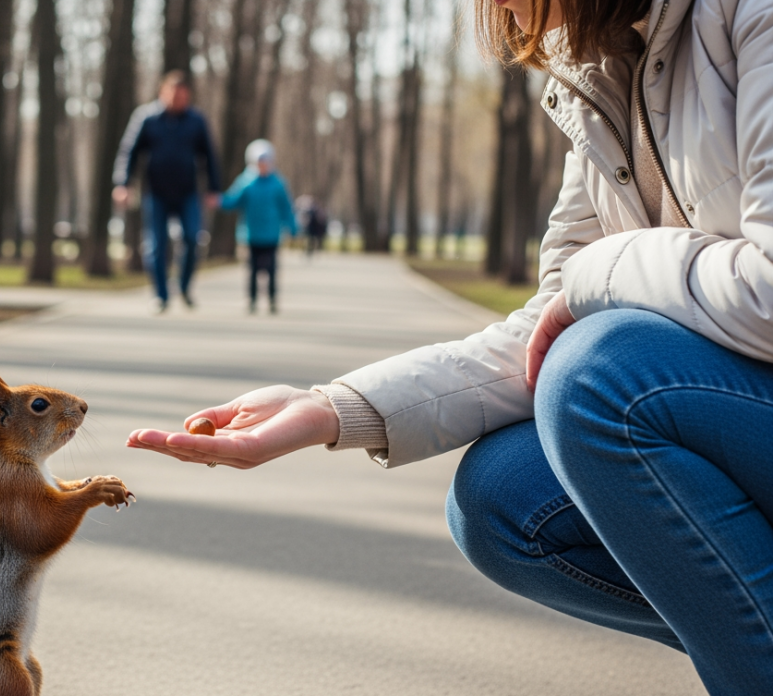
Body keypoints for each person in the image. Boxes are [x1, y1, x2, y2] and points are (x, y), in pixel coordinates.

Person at [127, 0, 773, 692]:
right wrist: (332, 409)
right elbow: (546, 330)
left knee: (596, 375)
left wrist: (600, 273)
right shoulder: (598, 73)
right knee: (501, 499)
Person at [113, 71, 221, 312]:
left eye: (183, 97)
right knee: (156, 245)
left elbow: (209, 156)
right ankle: (161, 295)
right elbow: (129, 152)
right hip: (156, 192)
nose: (178, 101)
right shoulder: (147, 118)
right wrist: (123, 183)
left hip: (187, 192)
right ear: (163, 93)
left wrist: (213, 188)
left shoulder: (196, 120)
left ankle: (183, 286)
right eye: (174, 96)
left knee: (193, 238)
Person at [221, 139, 297, 314]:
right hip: (251, 233)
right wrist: (219, 200)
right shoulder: (246, 182)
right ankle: (252, 299)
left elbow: (286, 207)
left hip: (271, 234)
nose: (263, 165)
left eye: (265, 161)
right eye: (259, 162)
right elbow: (233, 200)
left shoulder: (278, 183)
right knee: (252, 269)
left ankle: (272, 299)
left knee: (271, 269)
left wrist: (292, 227)